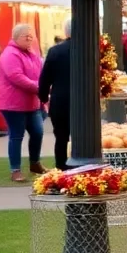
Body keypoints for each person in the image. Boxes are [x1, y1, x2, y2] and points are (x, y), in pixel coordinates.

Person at [0, 23, 46, 182]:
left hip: (32, 102)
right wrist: (39, 87)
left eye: (32, 36)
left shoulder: (31, 53)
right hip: (13, 104)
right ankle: (15, 170)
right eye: (27, 36)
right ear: (16, 37)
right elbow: (16, 77)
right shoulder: (10, 54)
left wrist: (43, 86)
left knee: (38, 132)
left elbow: (40, 72)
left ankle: (35, 163)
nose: (30, 39)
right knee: (16, 136)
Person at [38, 19, 72, 170]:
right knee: (83, 138)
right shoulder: (91, 49)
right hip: (84, 103)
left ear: (66, 32)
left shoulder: (55, 51)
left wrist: (43, 97)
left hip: (61, 100)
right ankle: (84, 167)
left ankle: (61, 168)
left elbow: (45, 78)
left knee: (61, 138)